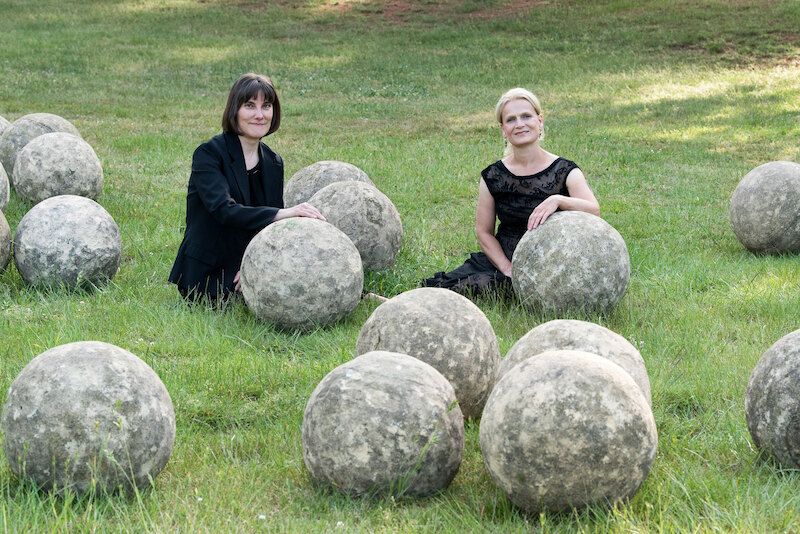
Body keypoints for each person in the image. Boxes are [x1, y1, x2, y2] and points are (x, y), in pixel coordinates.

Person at [422, 87, 600, 296]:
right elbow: (484, 232)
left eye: (526, 116)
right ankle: (391, 302)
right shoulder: (494, 175)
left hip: (552, 263)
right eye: (511, 119)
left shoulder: (564, 170)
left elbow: (594, 211)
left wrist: (558, 200)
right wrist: (507, 268)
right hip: (504, 261)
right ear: (503, 129)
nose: (520, 124)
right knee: (453, 287)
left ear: (540, 121)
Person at [169, 73, 324, 302]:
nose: (260, 115)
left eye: (267, 106)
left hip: (246, 262)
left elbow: (267, 228)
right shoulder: (209, 154)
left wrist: (254, 264)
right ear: (235, 110)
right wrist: (285, 213)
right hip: (209, 270)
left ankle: (361, 295)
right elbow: (224, 210)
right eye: (250, 106)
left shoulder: (273, 161)